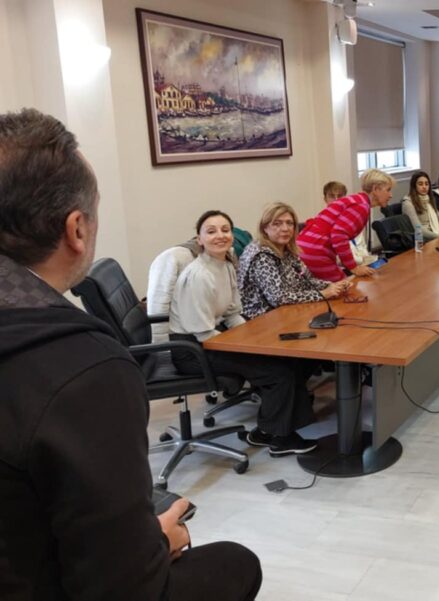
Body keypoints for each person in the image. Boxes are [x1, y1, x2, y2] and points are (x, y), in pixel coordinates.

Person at [0, 108, 261, 599]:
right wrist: (158, 542)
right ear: (77, 229)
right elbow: (122, 585)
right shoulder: (84, 369)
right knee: (236, 562)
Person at [171, 210, 318, 456]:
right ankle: (279, 440)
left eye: (225, 230)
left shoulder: (226, 264)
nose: (220, 235)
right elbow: (203, 332)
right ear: (199, 240)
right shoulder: (199, 276)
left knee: (288, 358)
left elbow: (232, 312)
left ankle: (267, 430)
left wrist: (255, 338)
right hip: (193, 349)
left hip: (216, 336)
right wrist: (248, 350)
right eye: (211, 231)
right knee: (277, 372)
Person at [237, 202, 351, 320]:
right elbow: (278, 298)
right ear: (265, 228)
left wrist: (333, 285)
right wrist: (323, 294)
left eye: (289, 223)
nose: (285, 229)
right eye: (277, 224)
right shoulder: (261, 255)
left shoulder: (287, 249)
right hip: (261, 319)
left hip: (287, 311)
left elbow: (307, 280)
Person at [298, 168, 394, 281]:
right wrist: (353, 267)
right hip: (316, 251)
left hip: (305, 248)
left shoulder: (357, 200)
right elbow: (339, 235)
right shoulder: (361, 206)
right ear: (376, 189)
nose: (391, 195)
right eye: (388, 190)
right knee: (343, 286)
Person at [402, 171, 439, 240]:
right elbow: (418, 229)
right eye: (420, 184)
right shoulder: (408, 203)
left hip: (437, 235)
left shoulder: (428, 199)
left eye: (426, 184)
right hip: (422, 239)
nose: (424, 187)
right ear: (414, 186)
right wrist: (438, 237)